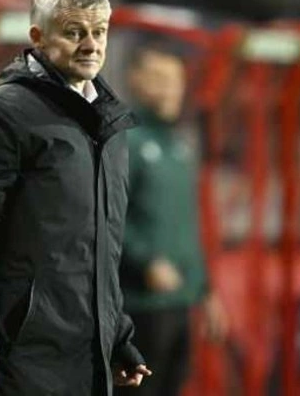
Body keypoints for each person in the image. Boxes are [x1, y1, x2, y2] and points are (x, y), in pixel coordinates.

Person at [0, 0, 151, 394]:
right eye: (74, 32)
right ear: (37, 36)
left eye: (99, 32)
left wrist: (117, 337)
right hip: (14, 361)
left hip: (86, 362)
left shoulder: (110, 125)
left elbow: (96, 247)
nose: (91, 45)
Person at [117, 42, 227, 396]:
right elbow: (104, 216)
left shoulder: (180, 147)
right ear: (135, 80)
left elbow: (186, 226)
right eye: (159, 78)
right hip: (137, 305)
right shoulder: (124, 141)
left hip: (180, 302)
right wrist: (146, 260)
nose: (170, 89)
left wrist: (205, 290)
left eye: (176, 80)